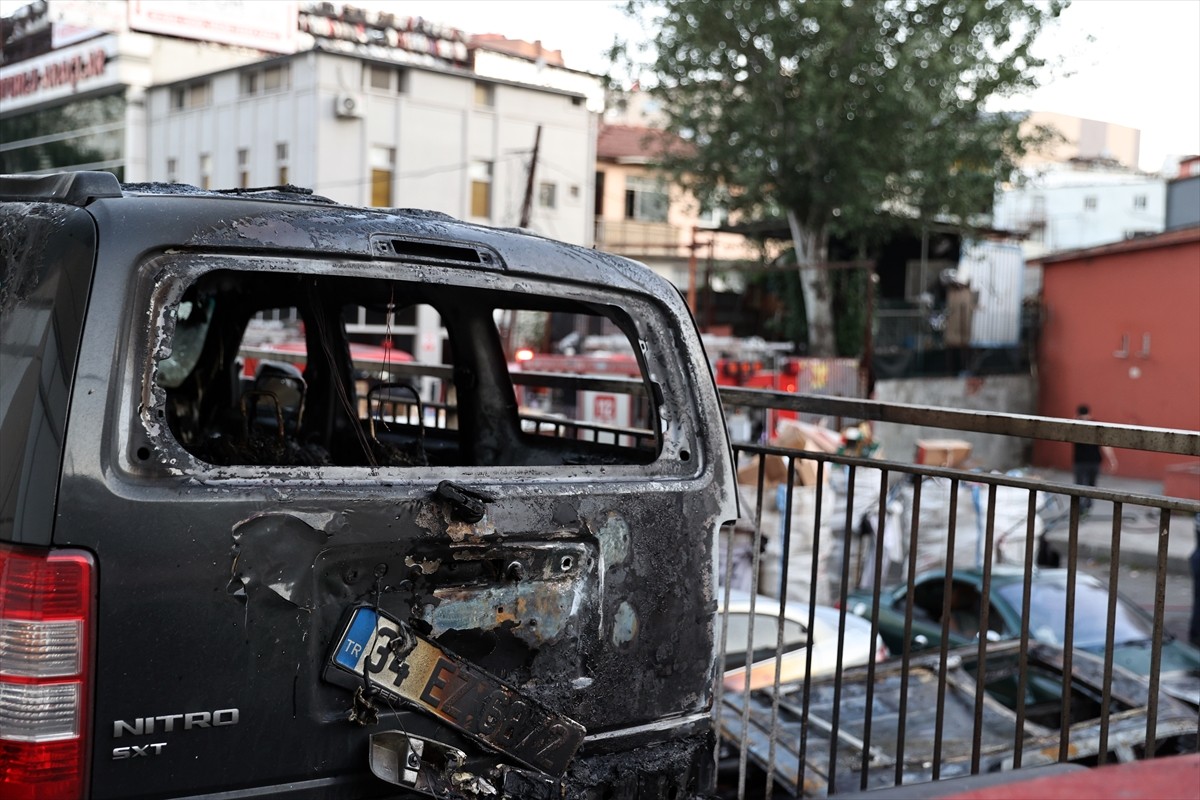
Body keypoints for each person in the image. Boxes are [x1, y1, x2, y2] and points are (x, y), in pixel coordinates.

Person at [1072, 404, 1118, 514]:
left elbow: (1104, 443)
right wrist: (1112, 459)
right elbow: (1104, 444)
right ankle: (1082, 508)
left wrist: (1112, 459)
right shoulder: (1092, 425)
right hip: (1088, 461)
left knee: (1084, 486)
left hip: (1084, 461)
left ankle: (1084, 508)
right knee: (1086, 486)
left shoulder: (1075, 425)